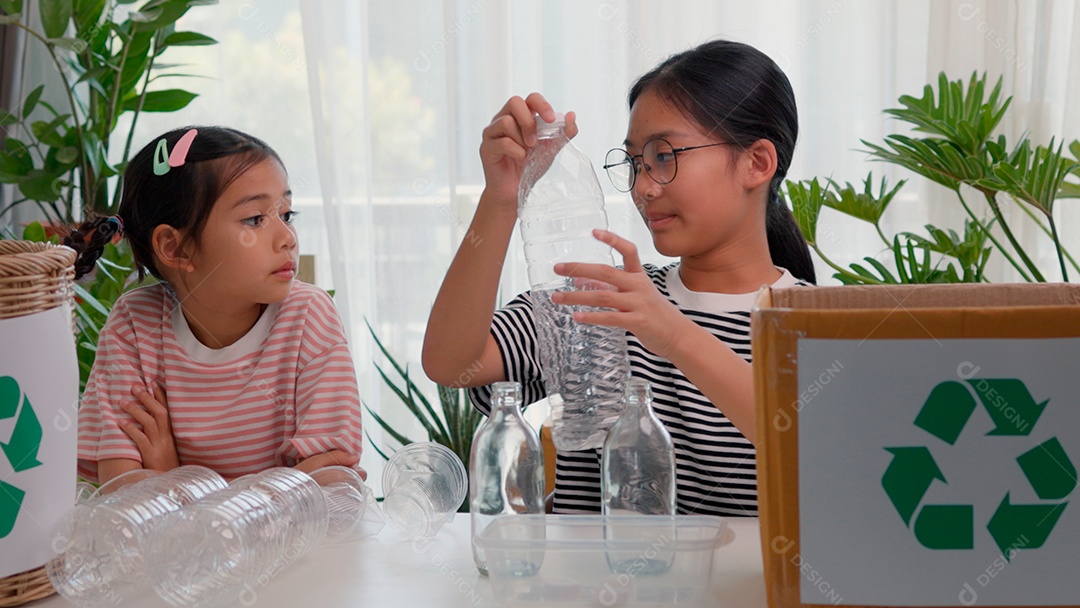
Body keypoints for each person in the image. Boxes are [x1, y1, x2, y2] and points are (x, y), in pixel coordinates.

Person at [422, 40, 815, 516]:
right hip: (590, 589)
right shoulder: (609, 300)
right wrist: (503, 197)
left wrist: (670, 330)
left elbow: (815, 444)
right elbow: (450, 361)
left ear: (757, 163)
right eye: (635, 163)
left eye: (664, 156)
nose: (644, 188)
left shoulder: (813, 322)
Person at [67, 126, 363, 484]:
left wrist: (173, 479)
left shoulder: (308, 317)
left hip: (298, 543)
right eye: (255, 219)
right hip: (188, 542)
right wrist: (270, 495)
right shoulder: (134, 325)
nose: (288, 238)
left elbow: (331, 478)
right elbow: (119, 490)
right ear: (176, 248)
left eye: (286, 214)